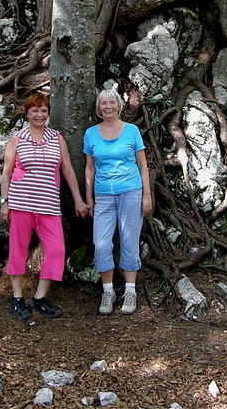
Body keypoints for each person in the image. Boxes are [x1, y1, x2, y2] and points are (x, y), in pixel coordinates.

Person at [0, 92, 90, 320]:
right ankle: (17, 298)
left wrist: (78, 199)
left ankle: (39, 298)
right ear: (27, 113)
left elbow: (68, 170)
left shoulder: (56, 138)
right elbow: (7, 172)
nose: (39, 114)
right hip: (21, 204)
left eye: (43, 110)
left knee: (57, 250)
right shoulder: (17, 139)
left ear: (48, 113)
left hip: (49, 205)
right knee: (18, 250)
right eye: (35, 110)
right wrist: (5, 202)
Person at [84, 88, 152, 316]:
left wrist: (147, 195)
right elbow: (89, 168)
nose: (108, 106)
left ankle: (130, 291)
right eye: (104, 103)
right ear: (98, 108)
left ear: (119, 106)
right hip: (103, 195)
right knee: (101, 243)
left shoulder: (132, 131)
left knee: (129, 239)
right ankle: (108, 291)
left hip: (131, 191)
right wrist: (88, 197)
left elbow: (143, 166)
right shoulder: (91, 134)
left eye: (112, 102)